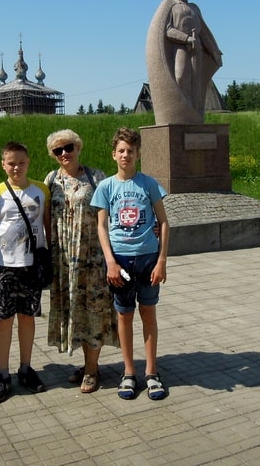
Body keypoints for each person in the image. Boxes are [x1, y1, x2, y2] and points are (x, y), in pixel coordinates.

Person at [90, 127, 170, 400]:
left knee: (148, 313)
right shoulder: (106, 187)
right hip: (120, 260)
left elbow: (165, 222)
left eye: (131, 151)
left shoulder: (149, 184)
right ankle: (128, 372)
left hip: (148, 258)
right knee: (124, 316)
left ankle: (151, 372)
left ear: (138, 154)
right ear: (114, 155)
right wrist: (110, 262)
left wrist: (162, 260)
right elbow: (101, 226)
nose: (126, 155)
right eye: (121, 151)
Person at [44, 129, 118, 394]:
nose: (64, 153)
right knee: (75, 310)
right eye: (58, 150)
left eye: (68, 148)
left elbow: (115, 211)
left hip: (93, 259)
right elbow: (44, 219)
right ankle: (87, 363)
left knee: (94, 312)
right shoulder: (51, 179)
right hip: (63, 259)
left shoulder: (96, 177)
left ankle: (92, 369)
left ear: (78, 147)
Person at [0, 141, 51, 403]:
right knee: (4, 320)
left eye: (21, 162)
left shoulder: (41, 191)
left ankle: (25, 368)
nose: (16, 167)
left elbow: (48, 227)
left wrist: (50, 259)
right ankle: (2, 374)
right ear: (3, 165)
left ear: (28, 162)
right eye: (11, 163)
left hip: (31, 266)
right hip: (4, 266)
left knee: (28, 318)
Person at [146, 0, 223, 125]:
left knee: (197, 84)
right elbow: (167, 30)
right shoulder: (171, 5)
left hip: (197, 50)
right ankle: (181, 115)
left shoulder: (195, 8)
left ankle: (194, 117)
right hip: (180, 48)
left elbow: (204, 33)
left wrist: (214, 51)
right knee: (180, 78)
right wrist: (186, 38)